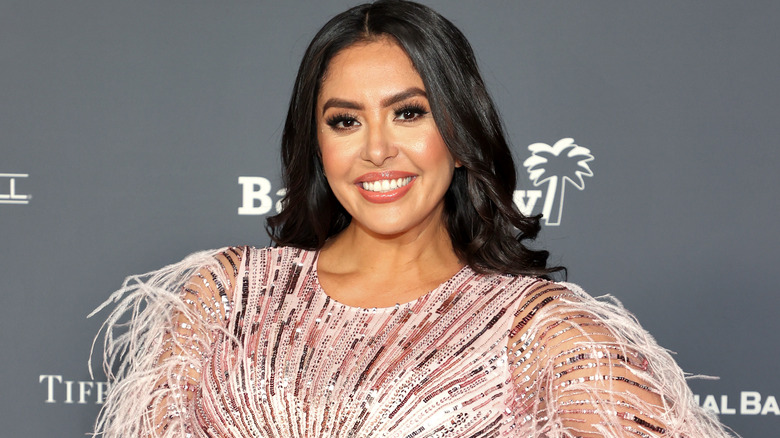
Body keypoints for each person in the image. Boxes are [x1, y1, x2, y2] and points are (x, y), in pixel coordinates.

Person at [91, 1, 735, 437]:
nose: (377, 149)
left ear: (458, 133)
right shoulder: (228, 296)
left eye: (409, 113)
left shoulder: (539, 333)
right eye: (345, 121)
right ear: (317, 145)